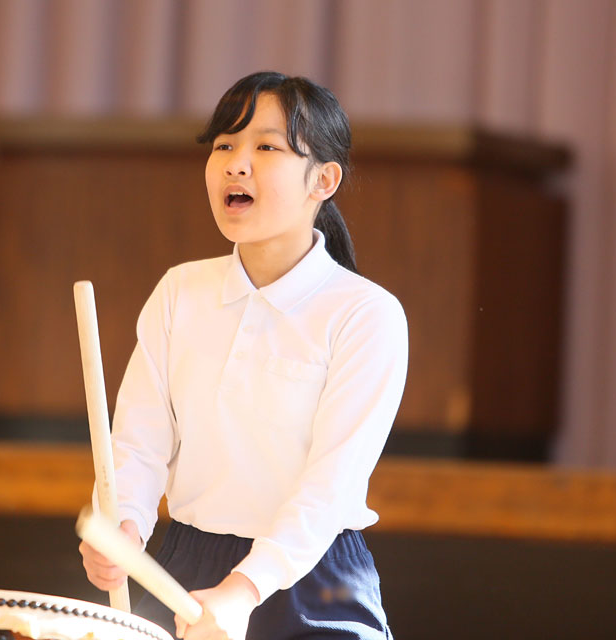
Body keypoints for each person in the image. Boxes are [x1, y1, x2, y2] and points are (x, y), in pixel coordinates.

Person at [79, 71, 408, 640]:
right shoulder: (180, 291)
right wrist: (123, 527)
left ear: (323, 180)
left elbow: (330, 488)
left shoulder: (365, 313)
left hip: (310, 578)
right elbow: (137, 444)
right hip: (184, 565)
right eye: (224, 145)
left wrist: (244, 589)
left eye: (267, 147)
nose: (236, 164)